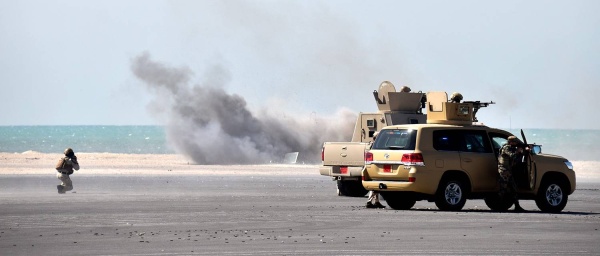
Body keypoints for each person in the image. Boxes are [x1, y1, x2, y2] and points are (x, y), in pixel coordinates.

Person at [497, 136, 525, 212]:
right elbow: (512, 155)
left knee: (514, 189)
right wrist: (518, 151)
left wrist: (522, 151)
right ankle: (499, 206)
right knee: (503, 189)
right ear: (510, 142)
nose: (516, 143)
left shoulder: (511, 148)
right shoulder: (506, 148)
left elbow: (516, 159)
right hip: (504, 171)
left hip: (508, 171)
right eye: (514, 142)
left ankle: (517, 206)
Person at [366, 132, 385, 209]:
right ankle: (369, 201)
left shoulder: (373, 144)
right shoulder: (375, 145)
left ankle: (376, 202)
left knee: (376, 185)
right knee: (375, 187)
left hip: (374, 167)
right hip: (375, 167)